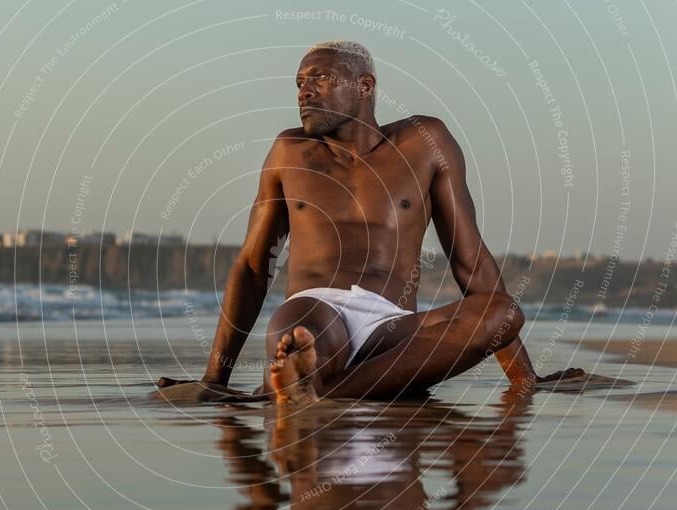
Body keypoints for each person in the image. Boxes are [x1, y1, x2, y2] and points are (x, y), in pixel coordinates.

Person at [158, 40, 583, 404]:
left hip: (393, 328)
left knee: (502, 312)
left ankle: (307, 391)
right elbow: (254, 266)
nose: (304, 92)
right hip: (314, 311)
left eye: (319, 79)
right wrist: (215, 380)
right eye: (300, 84)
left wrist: (525, 380)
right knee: (305, 335)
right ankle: (312, 374)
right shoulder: (289, 152)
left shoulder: (424, 142)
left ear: (365, 86)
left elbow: (469, 261)